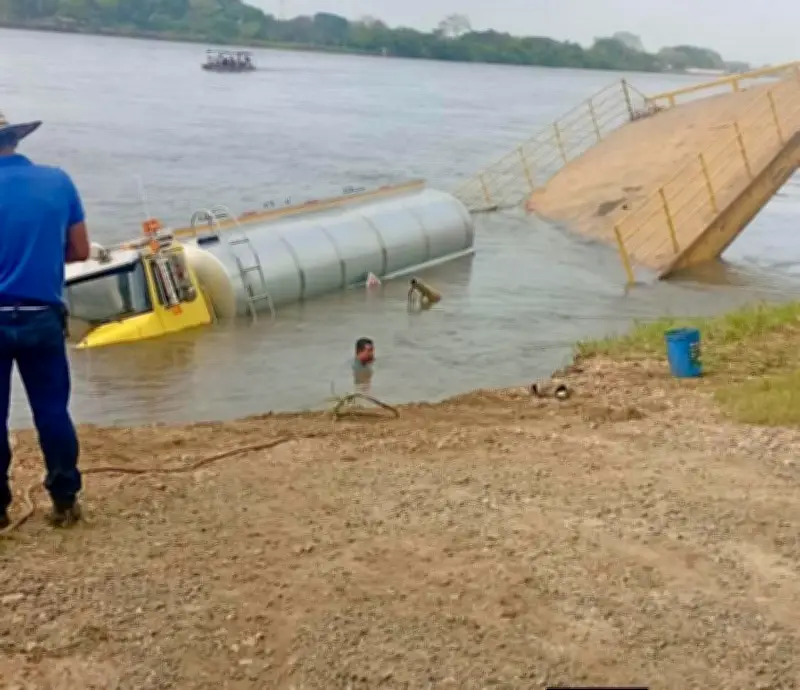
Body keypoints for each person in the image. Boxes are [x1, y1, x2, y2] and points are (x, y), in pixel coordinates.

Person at [0, 112, 91, 529]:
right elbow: (81, 251)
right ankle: (64, 501)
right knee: (52, 410)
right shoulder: (58, 181)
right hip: (41, 314)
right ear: (14, 139)